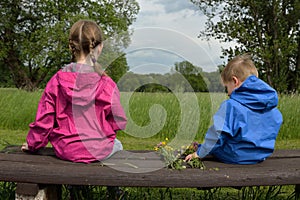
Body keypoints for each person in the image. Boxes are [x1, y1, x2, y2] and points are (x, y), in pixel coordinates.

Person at [21, 20, 127, 163]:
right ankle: (112, 186)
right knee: (118, 144)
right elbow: (118, 120)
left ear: (71, 46)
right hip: (98, 150)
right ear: (100, 47)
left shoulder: (57, 80)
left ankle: (73, 186)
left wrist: (33, 144)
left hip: (66, 150)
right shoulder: (107, 83)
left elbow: (45, 121)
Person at [185, 54, 283, 164]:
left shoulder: (231, 105)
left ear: (235, 81)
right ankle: (200, 147)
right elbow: (276, 121)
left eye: (227, 87)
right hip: (259, 156)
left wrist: (200, 153)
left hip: (234, 156)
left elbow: (218, 134)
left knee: (216, 146)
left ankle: (200, 148)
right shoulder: (270, 107)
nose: (227, 93)